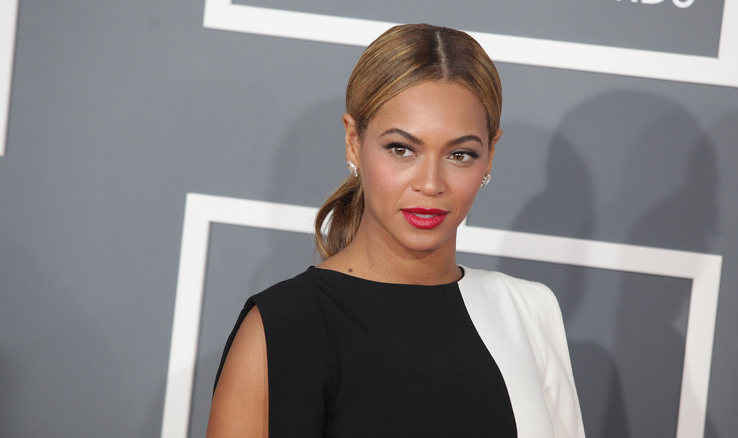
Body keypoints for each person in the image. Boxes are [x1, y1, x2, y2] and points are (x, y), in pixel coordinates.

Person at [206, 23, 585, 437]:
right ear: (354, 141)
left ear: (490, 154)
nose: (430, 183)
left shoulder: (528, 312)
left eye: (460, 154)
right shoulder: (285, 328)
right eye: (401, 149)